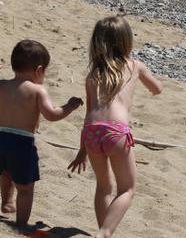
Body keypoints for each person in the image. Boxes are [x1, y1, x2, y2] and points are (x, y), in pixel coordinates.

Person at [67, 17, 162, 238]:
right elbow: (157, 88)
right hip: (117, 133)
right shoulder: (134, 66)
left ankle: (103, 231)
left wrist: (82, 150)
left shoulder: (92, 74)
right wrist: (154, 86)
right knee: (127, 189)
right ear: (127, 42)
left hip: (91, 133)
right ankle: (105, 232)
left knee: (103, 186)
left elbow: (89, 114)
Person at [0, 40, 83, 229]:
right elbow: (52, 114)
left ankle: (7, 202)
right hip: (21, 143)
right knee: (26, 187)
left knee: (6, 172)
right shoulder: (38, 90)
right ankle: (21, 224)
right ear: (39, 70)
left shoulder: (1, 84)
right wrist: (69, 106)